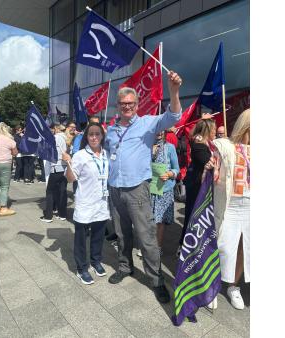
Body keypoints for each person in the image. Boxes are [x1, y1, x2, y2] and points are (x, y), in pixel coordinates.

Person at [105, 70, 183, 304]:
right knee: (122, 233)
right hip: (115, 189)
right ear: (117, 105)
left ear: (137, 104)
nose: (126, 106)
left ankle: (156, 279)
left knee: (147, 236)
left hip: (137, 189)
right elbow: (109, 155)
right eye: (122, 103)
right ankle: (125, 266)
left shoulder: (148, 123)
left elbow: (174, 116)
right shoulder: (111, 130)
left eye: (130, 103)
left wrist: (174, 90)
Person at [63, 122, 110, 285]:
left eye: (98, 134)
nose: (95, 137)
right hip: (85, 203)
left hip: (102, 203)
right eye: (91, 134)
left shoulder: (106, 154)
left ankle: (96, 261)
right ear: (86, 137)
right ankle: (82, 268)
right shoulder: (81, 155)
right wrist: (68, 163)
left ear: (102, 136)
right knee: (81, 239)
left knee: (98, 236)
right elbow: (70, 178)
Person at [212, 109, 250, 310]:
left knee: (246, 247)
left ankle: (233, 286)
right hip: (231, 205)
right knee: (224, 246)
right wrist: (212, 164)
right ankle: (213, 285)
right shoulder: (229, 147)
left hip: (252, 206)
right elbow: (215, 147)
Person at [179, 118, 216, 252]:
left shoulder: (207, 143)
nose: (215, 132)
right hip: (196, 186)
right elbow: (207, 162)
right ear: (208, 130)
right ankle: (184, 246)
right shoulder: (198, 144)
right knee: (192, 215)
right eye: (213, 130)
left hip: (201, 185)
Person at [150, 130, 180, 253]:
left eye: (162, 129)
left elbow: (176, 168)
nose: (159, 132)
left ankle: (157, 247)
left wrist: (169, 174)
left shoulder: (170, 147)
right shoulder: (146, 146)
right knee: (149, 220)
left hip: (164, 189)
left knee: (160, 221)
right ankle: (149, 245)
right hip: (149, 189)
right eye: (157, 129)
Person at [40, 123, 68, 222]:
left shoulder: (55, 137)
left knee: (50, 191)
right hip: (64, 167)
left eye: (52, 129)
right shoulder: (65, 137)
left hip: (56, 166)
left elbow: (48, 151)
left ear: (56, 129)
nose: (51, 131)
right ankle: (62, 214)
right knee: (62, 191)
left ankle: (48, 216)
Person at [0, 122, 18, 216]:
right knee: (4, 186)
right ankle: (3, 208)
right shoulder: (9, 140)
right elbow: (15, 153)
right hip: (5, 164)